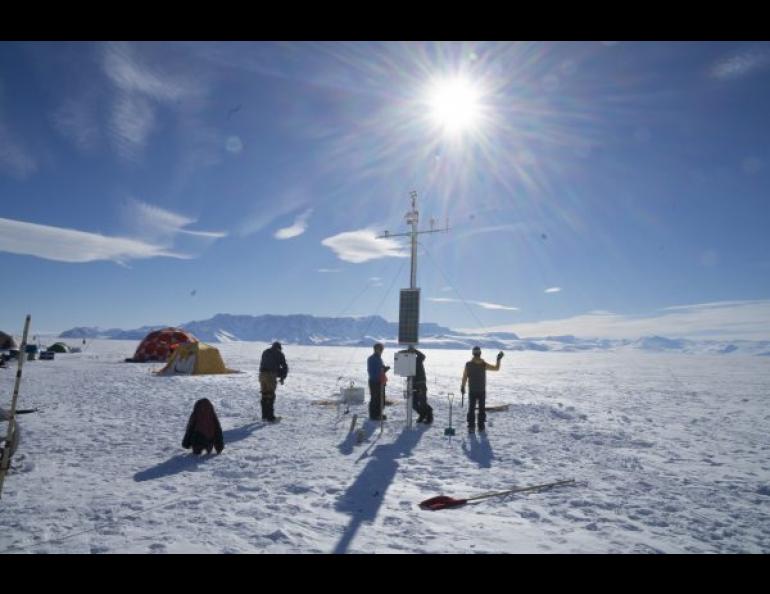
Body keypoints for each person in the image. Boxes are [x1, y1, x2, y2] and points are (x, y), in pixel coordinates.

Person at [460, 346, 503, 433]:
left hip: (472, 390)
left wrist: (463, 386)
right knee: (481, 409)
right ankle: (481, 426)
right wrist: (498, 359)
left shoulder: (468, 364)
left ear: (473, 353)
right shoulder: (483, 364)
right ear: (480, 353)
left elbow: (465, 377)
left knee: (471, 408)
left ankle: (471, 427)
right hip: (481, 390)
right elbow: (496, 368)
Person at [259, 341, 288, 422]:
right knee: (271, 395)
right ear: (279, 348)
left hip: (262, 375)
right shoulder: (280, 354)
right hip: (271, 376)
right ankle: (270, 417)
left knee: (264, 394)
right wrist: (282, 377)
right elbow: (285, 367)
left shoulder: (265, 352)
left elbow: (263, 363)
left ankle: (264, 415)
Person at [407, 346, 433, 424]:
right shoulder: (408, 362)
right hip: (412, 384)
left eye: (412, 352)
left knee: (422, 402)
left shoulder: (418, 359)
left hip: (421, 383)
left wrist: (415, 350)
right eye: (409, 352)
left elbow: (422, 356)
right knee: (413, 403)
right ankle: (422, 414)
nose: (410, 354)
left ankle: (429, 416)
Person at [367, 343, 390, 421]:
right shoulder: (372, 358)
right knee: (375, 399)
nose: (381, 351)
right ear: (376, 349)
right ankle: (374, 415)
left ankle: (379, 414)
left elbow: (380, 369)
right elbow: (372, 371)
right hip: (375, 382)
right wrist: (382, 370)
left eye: (382, 349)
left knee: (381, 399)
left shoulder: (378, 358)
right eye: (380, 349)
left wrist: (384, 369)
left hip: (380, 381)